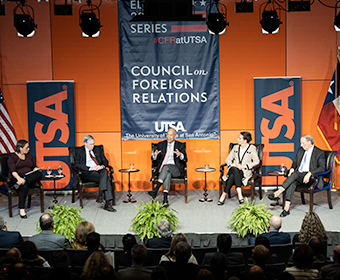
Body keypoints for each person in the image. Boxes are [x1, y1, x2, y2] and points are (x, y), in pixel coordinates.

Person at [267, 135, 325, 217]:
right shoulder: (300, 150)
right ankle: (286, 208)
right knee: (292, 181)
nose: (301, 145)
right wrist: (292, 168)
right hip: (298, 175)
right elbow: (295, 163)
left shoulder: (319, 152)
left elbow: (322, 168)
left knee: (294, 176)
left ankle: (278, 192)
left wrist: (310, 173)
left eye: (303, 143)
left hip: (311, 178)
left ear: (309, 142)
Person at [74, 135, 116, 212]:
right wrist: (90, 168)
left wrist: (101, 166)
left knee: (105, 171)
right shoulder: (79, 151)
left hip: (99, 171)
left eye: (93, 144)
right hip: (88, 172)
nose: (92, 146)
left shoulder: (98, 149)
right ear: (85, 143)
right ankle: (107, 203)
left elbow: (105, 161)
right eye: (90, 144)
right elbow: (77, 164)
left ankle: (101, 196)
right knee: (105, 177)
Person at [148, 128, 187, 207]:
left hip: (176, 170)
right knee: (167, 173)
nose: (168, 137)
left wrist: (181, 155)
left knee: (166, 167)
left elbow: (186, 160)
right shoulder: (161, 145)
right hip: (164, 170)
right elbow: (154, 161)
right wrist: (154, 156)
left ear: (175, 136)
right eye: (167, 134)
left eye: (171, 135)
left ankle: (156, 189)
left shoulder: (180, 145)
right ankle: (165, 200)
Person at [217, 132, 259, 205]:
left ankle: (223, 195)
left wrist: (244, 166)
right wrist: (234, 164)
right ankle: (240, 194)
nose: (237, 139)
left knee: (232, 176)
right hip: (234, 169)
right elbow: (228, 160)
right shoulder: (235, 147)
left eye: (240, 138)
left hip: (244, 171)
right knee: (234, 169)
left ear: (245, 140)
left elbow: (256, 161)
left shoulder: (252, 148)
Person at [7, 139, 42, 218]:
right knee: (24, 185)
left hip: (28, 177)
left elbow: (33, 166)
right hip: (16, 178)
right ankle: (22, 209)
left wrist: (36, 169)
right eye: (27, 147)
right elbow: (13, 171)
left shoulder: (29, 155)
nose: (28, 149)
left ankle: (22, 182)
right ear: (20, 148)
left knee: (39, 174)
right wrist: (19, 179)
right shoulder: (12, 157)